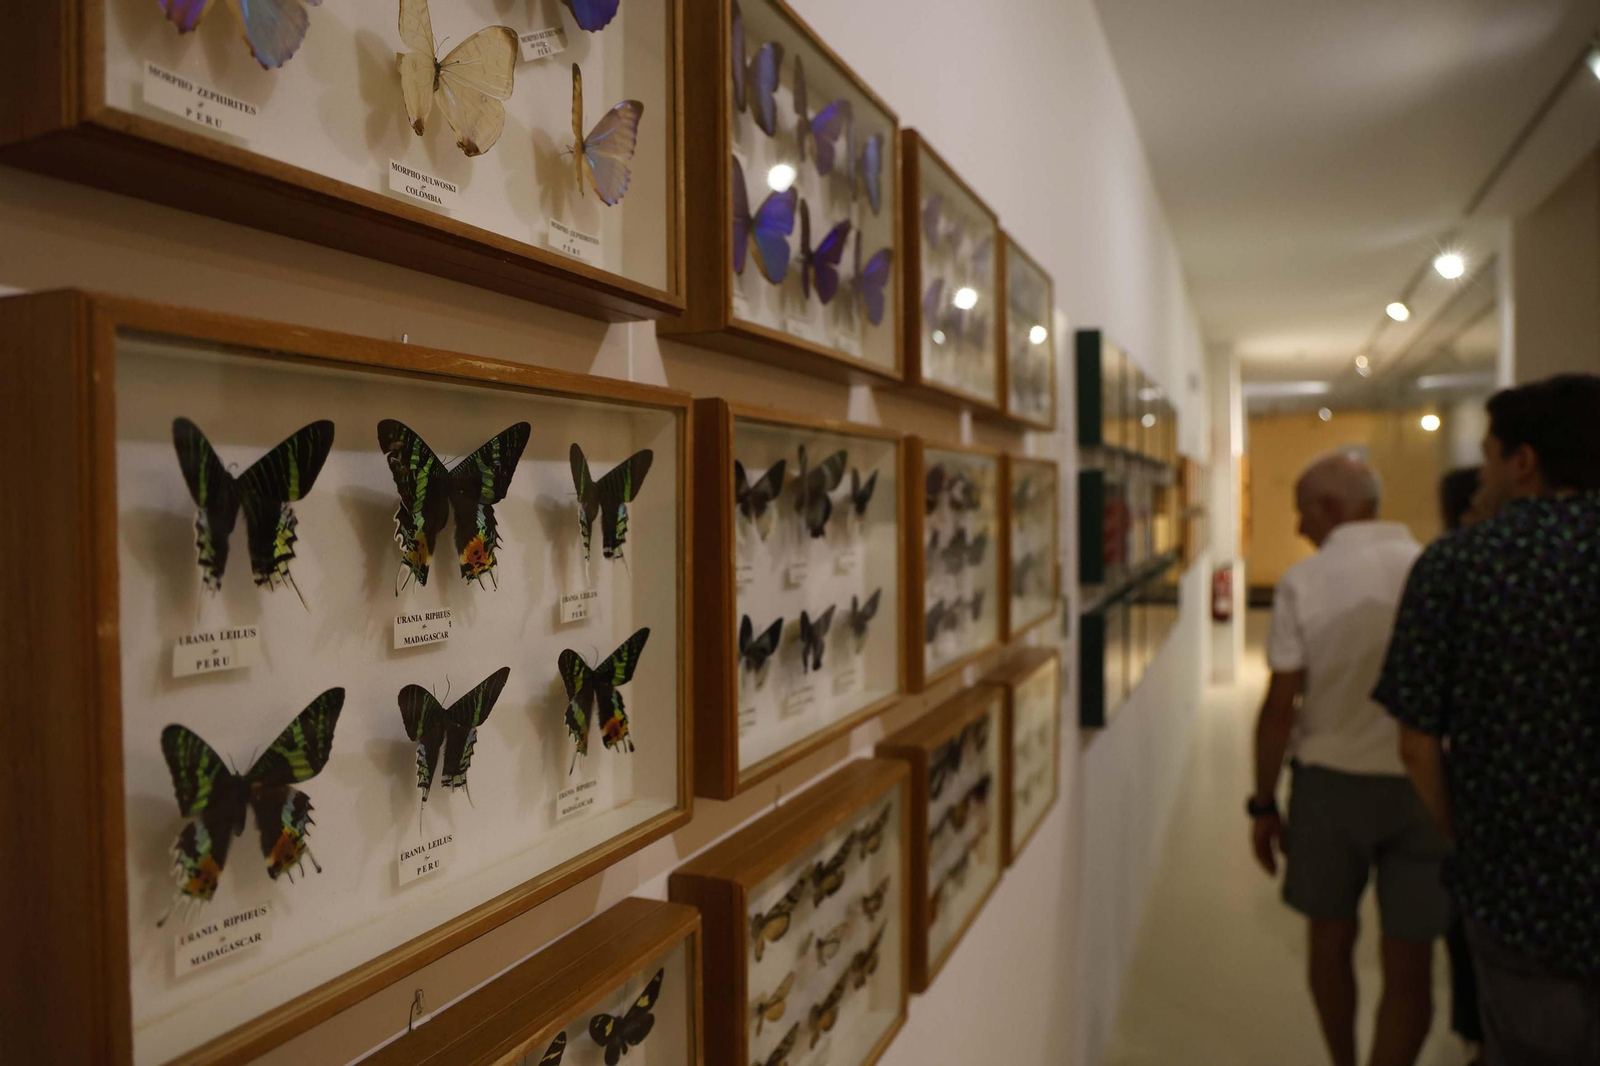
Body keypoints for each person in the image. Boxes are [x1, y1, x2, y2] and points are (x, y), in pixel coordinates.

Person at [1375, 374, 1600, 1066]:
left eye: (1490, 450)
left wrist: (1463, 833)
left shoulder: (1458, 563)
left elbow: (1417, 745)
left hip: (1521, 887)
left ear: (1523, 461)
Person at [1249, 450, 1449, 1066]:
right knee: (1410, 959)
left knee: (1330, 942)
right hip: (1424, 787)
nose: (1300, 525)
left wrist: (1262, 803)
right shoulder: (1431, 567)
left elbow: (1281, 706)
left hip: (1330, 788)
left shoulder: (1305, 582)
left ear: (1332, 508)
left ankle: (1343, 1061)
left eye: (1302, 511)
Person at [1435, 465, 1486, 1065]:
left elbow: (1417, 736)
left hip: (1484, 806)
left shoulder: (1454, 566)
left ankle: (1480, 1041)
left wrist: (1446, 826)